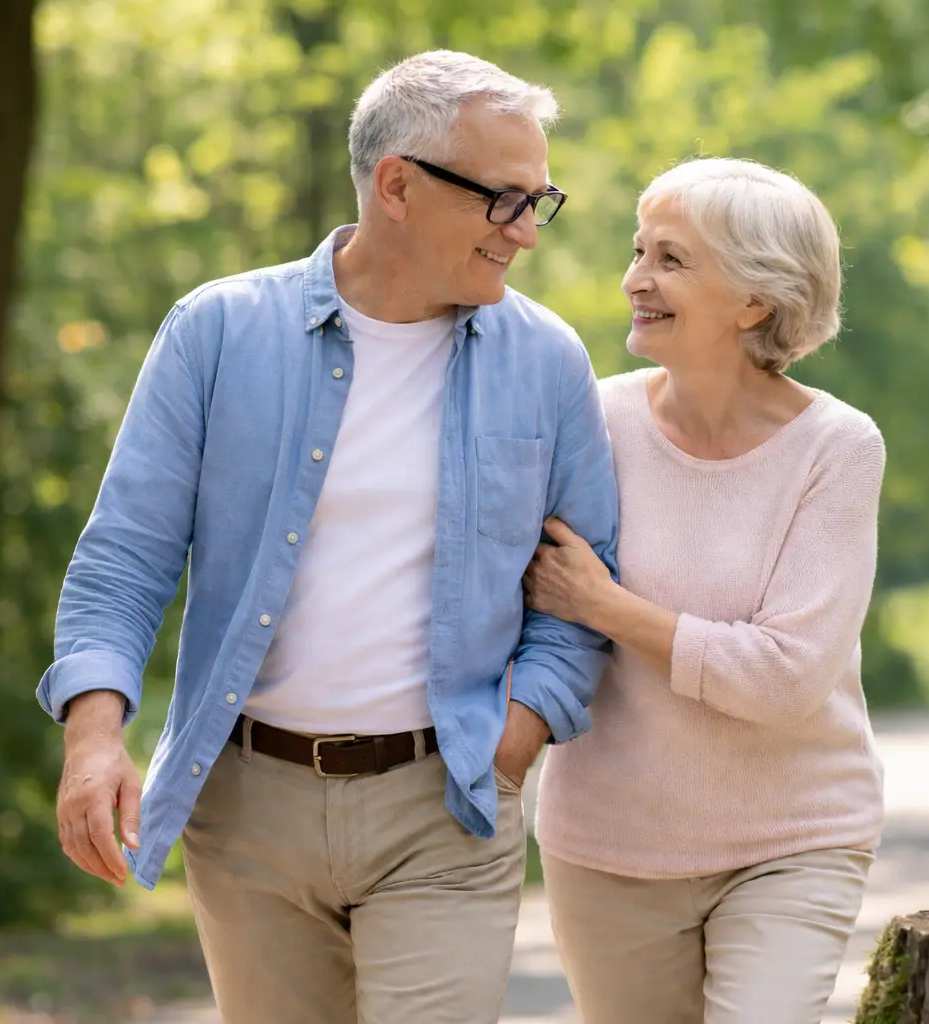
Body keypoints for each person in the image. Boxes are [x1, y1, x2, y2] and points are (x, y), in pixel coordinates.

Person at [38, 50, 619, 1024]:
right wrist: (94, 739)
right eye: (504, 201)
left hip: (448, 806)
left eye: (539, 201)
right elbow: (126, 552)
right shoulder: (216, 333)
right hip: (246, 811)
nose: (526, 234)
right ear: (398, 184)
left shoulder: (547, 361)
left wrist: (510, 743)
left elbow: (582, 593)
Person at [523, 156, 887, 1024]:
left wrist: (607, 606)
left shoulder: (837, 447)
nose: (634, 280)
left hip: (792, 841)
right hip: (608, 846)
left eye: (671, 260)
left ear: (756, 300)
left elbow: (786, 677)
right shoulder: (594, 418)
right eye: (639, 251)